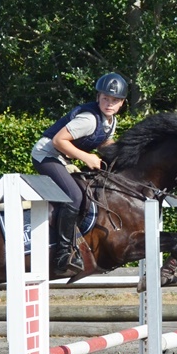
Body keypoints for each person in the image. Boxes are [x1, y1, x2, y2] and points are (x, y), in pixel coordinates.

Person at [32, 72, 128, 274]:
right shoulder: (89, 119)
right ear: (98, 97)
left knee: (89, 191)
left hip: (63, 158)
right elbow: (58, 141)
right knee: (74, 196)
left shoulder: (110, 122)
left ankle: (77, 241)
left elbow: (102, 142)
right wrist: (87, 158)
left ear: (122, 103)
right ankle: (62, 254)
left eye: (114, 100)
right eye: (105, 98)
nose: (109, 104)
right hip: (46, 155)